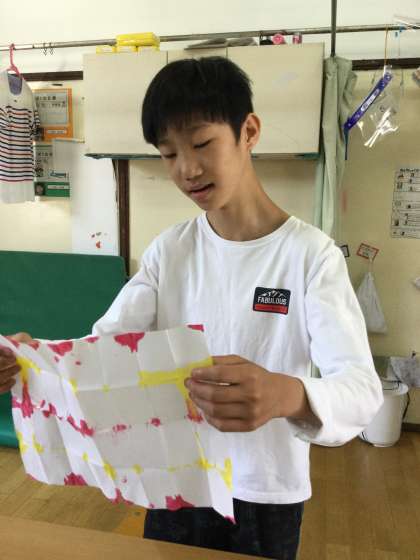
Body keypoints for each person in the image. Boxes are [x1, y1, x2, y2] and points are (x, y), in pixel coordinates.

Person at [0, 57, 383, 560]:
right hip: (175, 478)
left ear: (249, 132)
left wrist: (286, 393)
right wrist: (32, 360)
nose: (187, 169)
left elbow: (361, 389)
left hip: (264, 489)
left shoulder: (310, 256)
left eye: (202, 144)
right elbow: (105, 349)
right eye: (168, 153)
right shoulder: (170, 251)